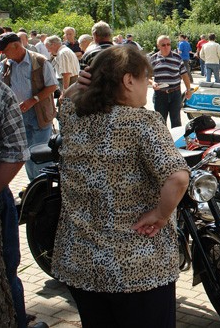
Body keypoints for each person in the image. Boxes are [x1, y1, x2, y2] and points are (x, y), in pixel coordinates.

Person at [52, 45, 189, 328]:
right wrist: (161, 215)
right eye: (144, 79)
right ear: (128, 80)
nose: (147, 88)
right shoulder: (142, 122)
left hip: (81, 264)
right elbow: (177, 178)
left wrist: (80, 83)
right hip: (138, 270)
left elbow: (68, 99)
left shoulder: (72, 116)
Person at [0, 78, 49, 328]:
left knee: (7, 269)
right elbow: (16, 153)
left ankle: (16, 316)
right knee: (6, 268)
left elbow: (15, 154)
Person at [0, 33, 57, 180]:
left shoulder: (40, 61)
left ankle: (43, 186)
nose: (3, 53)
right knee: (26, 153)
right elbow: (0, 88)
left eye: (5, 49)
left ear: (16, 46)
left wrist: (33, 100)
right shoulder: (5, 64)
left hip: (39, 114)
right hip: (17, 115)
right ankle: (33, 185)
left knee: (40, 152)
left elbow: (53, 85)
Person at [149, 35, 192, 128]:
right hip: (160, 94)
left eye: (168, 44)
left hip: (175, 94)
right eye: (163, 45)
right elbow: (146, 76)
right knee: (160, 122)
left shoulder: (177, 58)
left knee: (176, 121)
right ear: (158, 46)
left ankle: (176, 142)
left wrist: (189, 89)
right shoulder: (153, 59)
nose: (166, 47)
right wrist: (152, 83)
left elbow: (184, 74)